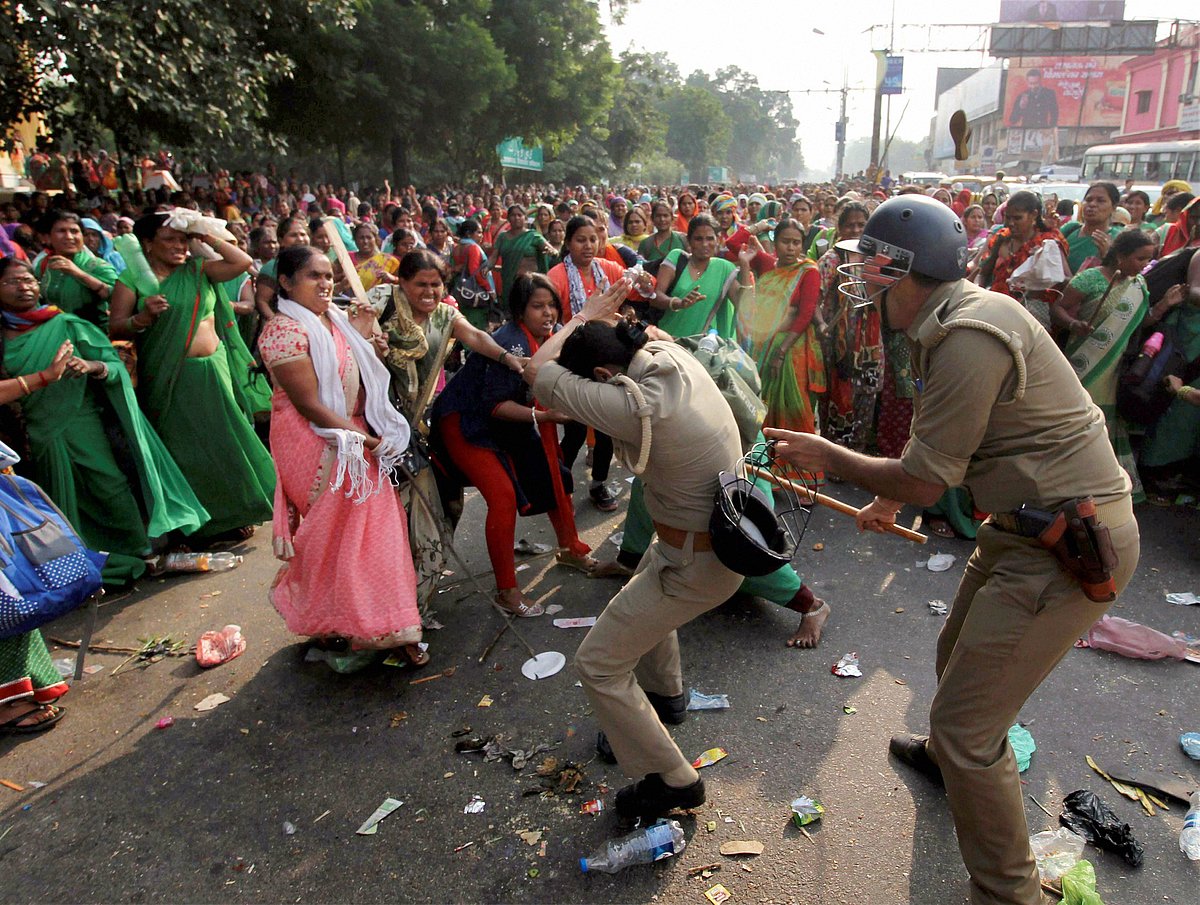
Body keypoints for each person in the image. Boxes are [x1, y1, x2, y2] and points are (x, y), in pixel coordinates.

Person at [768, 194, 1138, 905]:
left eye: (871, 269)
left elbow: (928, 471)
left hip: (1071, 543)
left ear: (905, 268)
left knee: (971, 725)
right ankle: (947, 763)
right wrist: (891, 496)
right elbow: (938, 446)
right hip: (1027, 524)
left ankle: (1009, 891)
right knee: (954, 652)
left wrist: (831, 456)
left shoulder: (969, 332)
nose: (862, 283)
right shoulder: (948, 323)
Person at [523, 281, 744, 821]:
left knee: (597, 664)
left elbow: (536, 371)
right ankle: (666, 699)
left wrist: (580, 316)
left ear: (602, 377)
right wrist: (602, 320)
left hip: (696, 561)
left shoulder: (634, 402)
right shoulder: (664, 352)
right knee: (639, 592)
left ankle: (674, 780)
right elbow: (636, 330)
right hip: (695, 544)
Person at [258, 245, 423, 664]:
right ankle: (357, 624)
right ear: (286, 283)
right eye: (314, 276)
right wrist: (370, 443)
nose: (326, 283)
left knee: (374, 535)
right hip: (316, 444)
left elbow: (352, 378)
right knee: (338, 540)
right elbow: (311, 405)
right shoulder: (283, 331)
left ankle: (383, 626)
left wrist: (368, 344)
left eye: (329, 275)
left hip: (353, 437)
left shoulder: (332, 322)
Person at [0, 257, 208, 583]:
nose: (23, 287)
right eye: (11, 282)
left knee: (109, 486)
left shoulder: (66, 324)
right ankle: (78, 567)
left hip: (80, 421)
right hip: (34, 434)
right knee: (56, 503)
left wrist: (89, 366)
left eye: (28, 280)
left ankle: (140, 551)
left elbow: (111, 365)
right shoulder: (2, 337)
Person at [431, 273, 596, 617]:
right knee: (503, 497)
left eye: (552, 305)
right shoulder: (512, 342)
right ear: (520, 311)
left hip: (510, 420)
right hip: (466, 423)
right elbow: (494, 406)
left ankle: (570, 549)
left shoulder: (552, 336)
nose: (548, 313)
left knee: (555, 474)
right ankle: (507, 590)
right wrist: (545, 417)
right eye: (538, 306)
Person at [109, 212, 275, 541]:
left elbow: (241, 262)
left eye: (182, 239)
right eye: (169, 239)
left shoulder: (198, 269)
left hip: (214, 370)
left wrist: (203, 235)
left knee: (226, 443)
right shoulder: (132, 280)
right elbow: (115, 325)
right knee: (185, 450)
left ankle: (236, 513)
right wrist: (142, 318)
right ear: (148, 244)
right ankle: (199, 523)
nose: (178, 246)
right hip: (170, 376)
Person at [1051, 229, 1155, 501]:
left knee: (1104, 422)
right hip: (1083, 360)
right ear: (1120, 256)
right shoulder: (1091, 279)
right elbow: (1058, 309)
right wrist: (1075, 324)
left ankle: (1102, 485)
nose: (1144, 265)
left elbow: (1143, 322)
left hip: (1114, 366)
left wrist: (1166, 303)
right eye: (1139, 258)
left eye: (1147, 260)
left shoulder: (1138, 285)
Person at [816, 201, 879, 450]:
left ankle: (858, 453)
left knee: (868, 393)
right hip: (839, 343)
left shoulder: (876, 258)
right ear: (840, 228)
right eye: (850, 225)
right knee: (838, 395)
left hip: (872, 343)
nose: (855, 230)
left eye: (861, 225)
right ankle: (834, 454)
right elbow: (813, 298)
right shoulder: (832, 259)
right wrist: (821, 325)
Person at [976, 190, 1069, 331]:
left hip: (1030, 319)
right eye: (1008, 218)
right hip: (996, 313)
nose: (1010, 223)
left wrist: (1040, 269)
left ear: (1034, 215)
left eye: (1017, 218)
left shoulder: (1047, 243)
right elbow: (983, 273)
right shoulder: (1001, 238)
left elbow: (1068, 280)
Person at [31, 211, 117, 329]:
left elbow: (118, 298)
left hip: (92, 335)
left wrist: (78, 273)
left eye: (74, 231)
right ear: (47, 237)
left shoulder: (97, 266)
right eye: (61, 231)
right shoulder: (44, 265)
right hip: (57, 333)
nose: (69, 237)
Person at [487, 204, 548, 306]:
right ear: (508, 218)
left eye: (520, 215)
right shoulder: (502, 237)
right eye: (513, 215)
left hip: (530, 283)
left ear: (525, 218)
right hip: (510, 282)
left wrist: (549, 251)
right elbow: (494, 256)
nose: (516, 218)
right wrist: (487, 266)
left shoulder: (533, 235)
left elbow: (547, 247)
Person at [1061, 182, 1121, 273]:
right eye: (1088, 200)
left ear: (1114, 207)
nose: (1092, 204)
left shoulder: (1118, 239)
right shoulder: (1069, 230)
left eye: (1100, 201)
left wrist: (1107, 257)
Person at [350, 222, 398, 291]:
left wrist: (392, 278)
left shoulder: (388, 260)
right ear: (355, 239)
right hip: (349, 300)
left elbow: (403, 282)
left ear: (375, 239)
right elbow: (333, 278)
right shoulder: (347, 259)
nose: (365, 241)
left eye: (369, 237)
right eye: (361, 238)